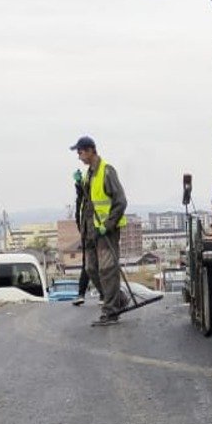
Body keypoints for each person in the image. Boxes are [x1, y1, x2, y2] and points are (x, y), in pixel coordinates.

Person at [70, 136, 130, 325]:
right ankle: (118, 299)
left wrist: (109, 224)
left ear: (90, 150)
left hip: (106, 231)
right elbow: (87, 201)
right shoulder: (89, 174)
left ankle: (111, 311)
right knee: (90, 268)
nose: (79, 156)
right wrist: (80, 186)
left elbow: (121, 201)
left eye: (80, 152)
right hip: (90, 231)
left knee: (107, 269)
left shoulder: (106, 171)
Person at [71, 169, 98, 306]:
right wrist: (79, 184)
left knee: (95, 265)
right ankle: (81, 294)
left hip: (96, 231)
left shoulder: (92, 193)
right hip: (86, 232)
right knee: (87, 265)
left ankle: (105, 295)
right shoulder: (81, 198)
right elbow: (79, 212)